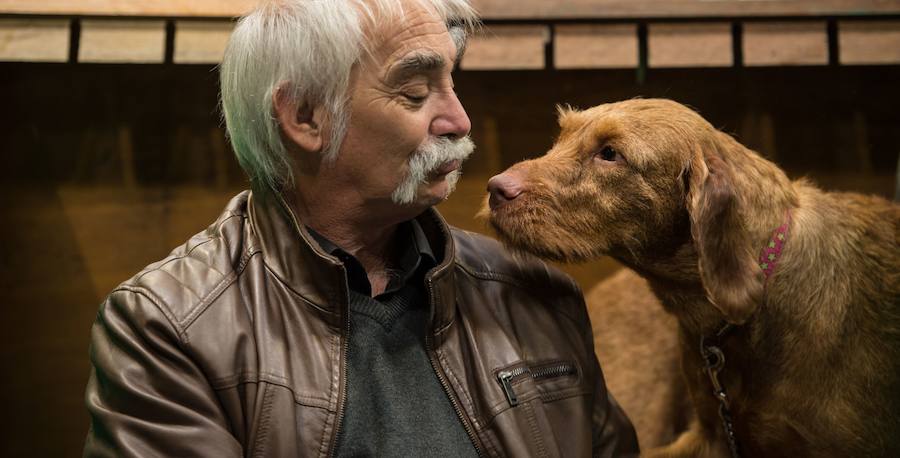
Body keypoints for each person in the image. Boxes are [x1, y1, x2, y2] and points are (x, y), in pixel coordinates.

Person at [83, 0, 639, 456]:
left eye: (451, 81)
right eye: (416, 93)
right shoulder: (167, 327)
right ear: (304, 116)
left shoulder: (535, 294)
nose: (458, 120)